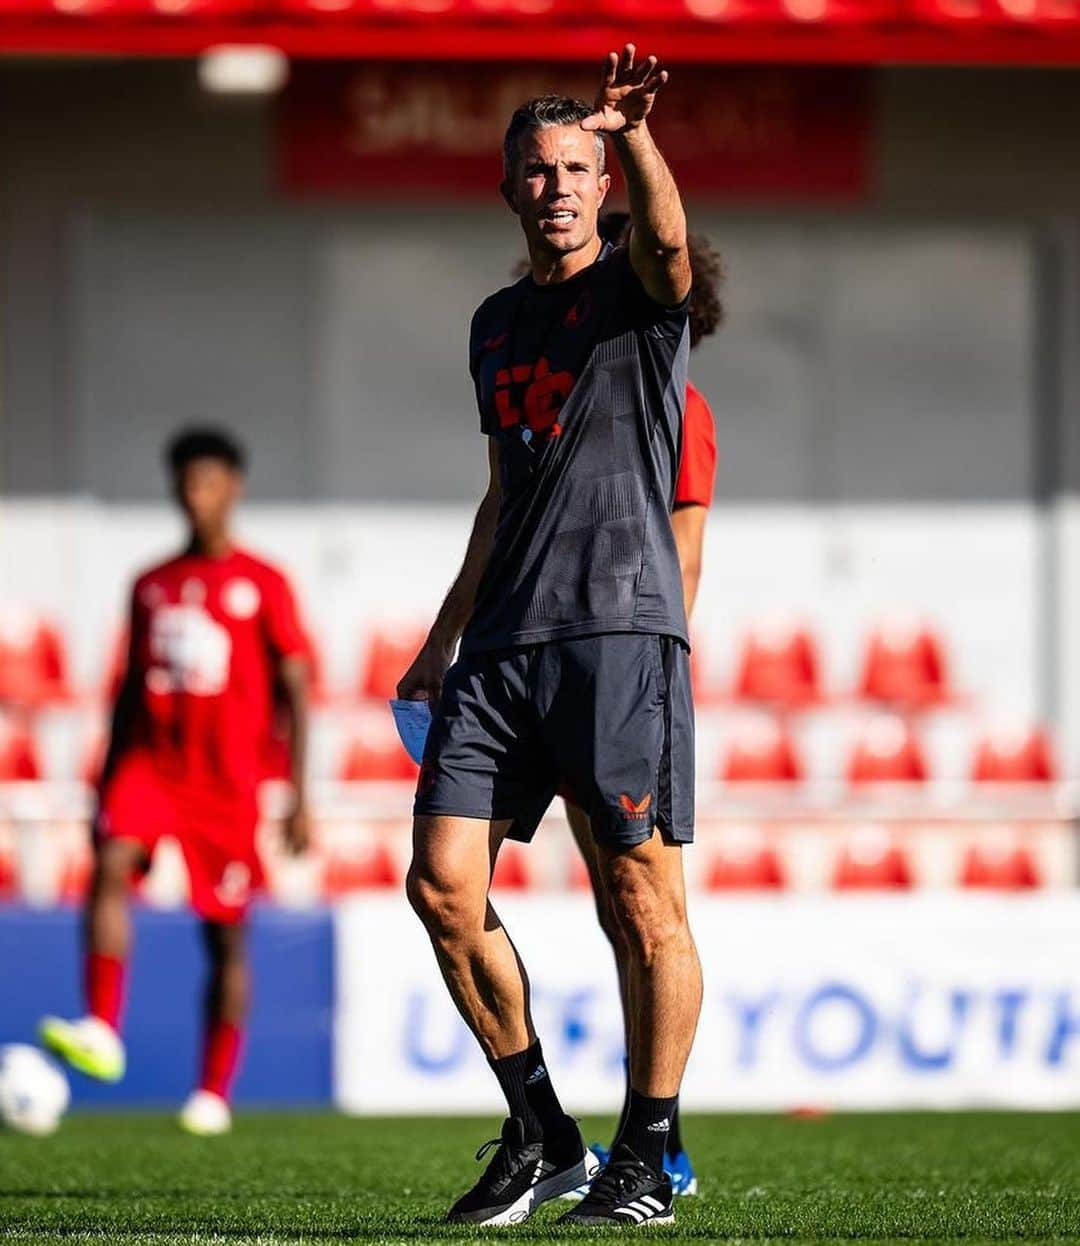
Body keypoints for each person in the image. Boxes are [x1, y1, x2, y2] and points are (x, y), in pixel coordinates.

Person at [399, 45, 703, 1228]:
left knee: (638, 901)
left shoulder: (636, 292)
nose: (560, 185)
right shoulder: (494, 323)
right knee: (439, 884)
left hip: (619, 631)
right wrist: (442, 637)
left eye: (579, 166)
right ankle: (542, 1131)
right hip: (503, 649)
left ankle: (649, 1148)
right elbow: (499, 489)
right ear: (510, 185)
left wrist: (635, 134)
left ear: (602, 179)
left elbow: (674, 247)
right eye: (540, 167)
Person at [40, 428, 311, 1136]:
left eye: (209, 482)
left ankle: (213, 1090)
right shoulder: (150, 584)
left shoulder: (265, 582)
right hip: (150, 764)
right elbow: (129, 686)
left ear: (233, 487)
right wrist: (104, 779)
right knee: (109, 864)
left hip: (226, 782)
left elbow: (297, 687)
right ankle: (100, 1023)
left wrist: (299, 794)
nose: (196, 496)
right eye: (187, 484)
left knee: (224, 940)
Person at [562, 211, 722, 1200]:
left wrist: (649, 668)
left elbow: (686, 549)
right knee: (623, 914)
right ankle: (646, 1131)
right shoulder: (571, 395)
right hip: (562, 672)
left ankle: (659, 1139)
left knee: (651, 909)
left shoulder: (679, 405)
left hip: (632, 671)